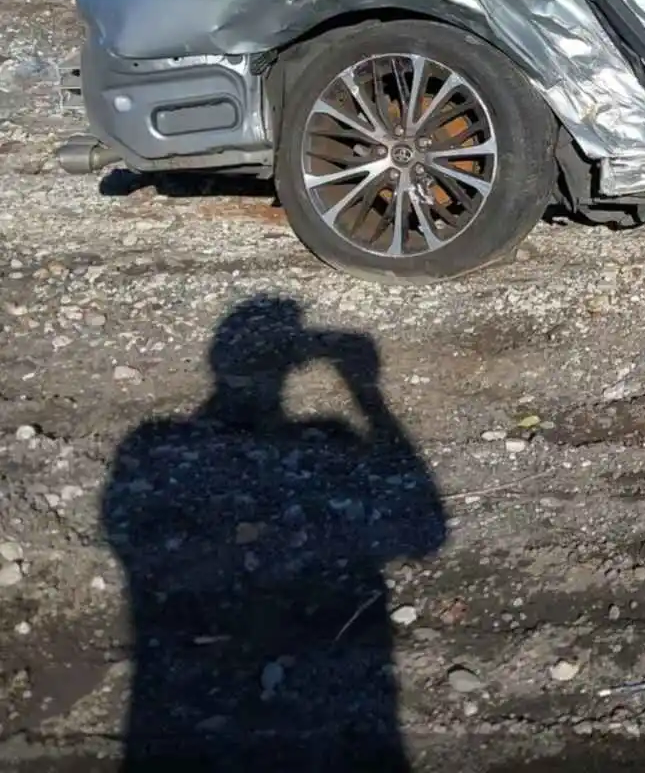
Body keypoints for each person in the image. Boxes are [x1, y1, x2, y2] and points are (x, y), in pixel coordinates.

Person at [104, 297, 446, 771]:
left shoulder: (149, 447)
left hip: (180, 707)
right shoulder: (331, 438)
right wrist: (368, 394)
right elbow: (425, 532)